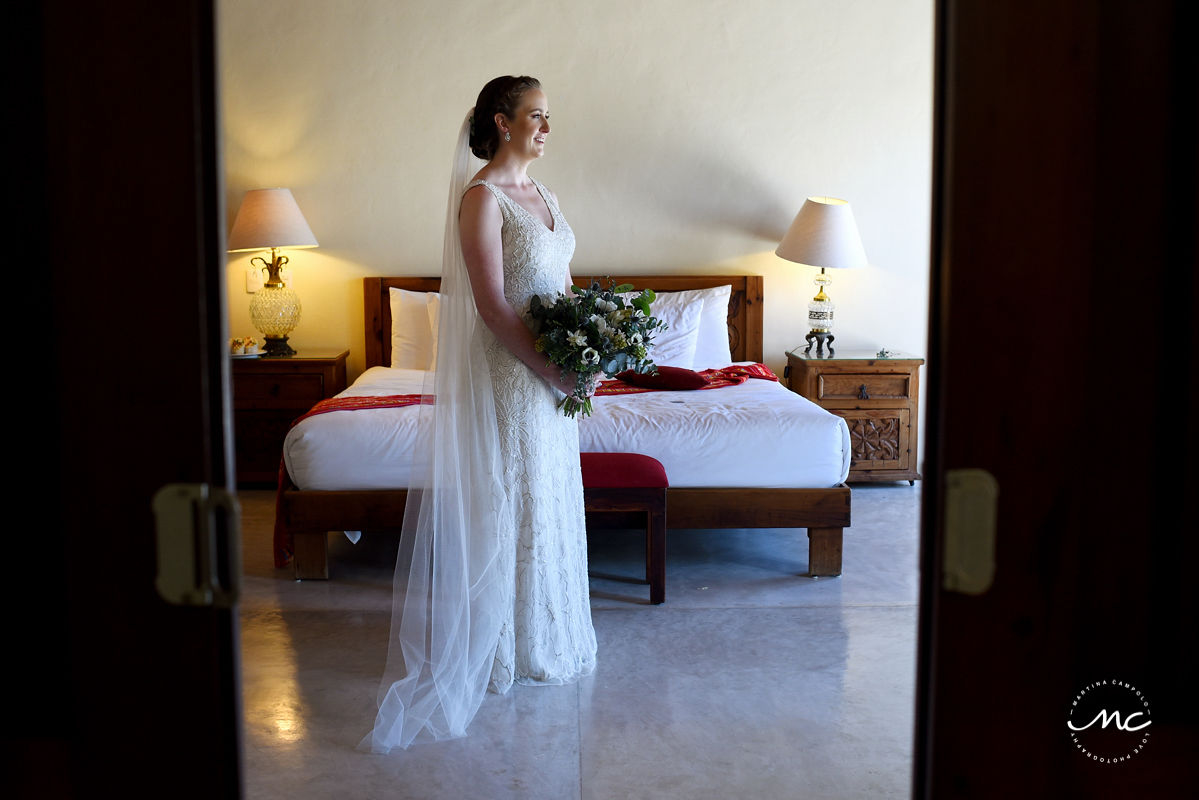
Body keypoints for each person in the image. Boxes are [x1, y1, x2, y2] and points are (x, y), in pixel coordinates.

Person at [360, 76, 597, 753]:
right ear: (501, 121)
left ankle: (546, 635)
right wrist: (550, 367)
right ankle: (500, 650)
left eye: (549, 117)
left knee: (547, 495)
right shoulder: (480, 200)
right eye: (536, 117)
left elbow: (561, 286)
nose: (547, 129)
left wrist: (588, 351)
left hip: (555, 375)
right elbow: (494, 306)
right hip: (512, 372)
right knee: (511, 497)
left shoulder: (547, 196)